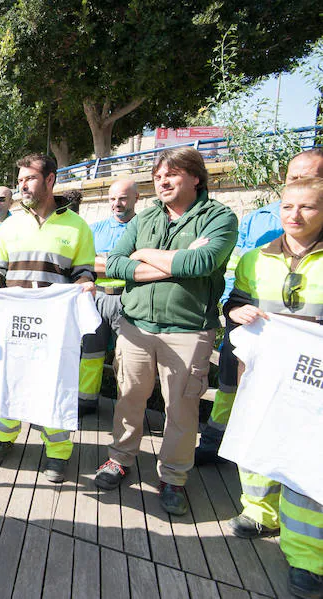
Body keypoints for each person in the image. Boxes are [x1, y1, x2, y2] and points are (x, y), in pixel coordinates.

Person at [95, 147, 238, 517]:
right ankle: (119, 458)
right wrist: (170, 262)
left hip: (188, 332)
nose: (162, 182)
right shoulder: (145, 219)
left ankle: (173, 478)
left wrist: (142, 254)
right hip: (136, 326)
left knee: (182, 411)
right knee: (128, 398)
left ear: (195, 177)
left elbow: (202, 261)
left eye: (171, 175)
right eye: (158, 177)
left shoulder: (219, 217)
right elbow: (114, 263)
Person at [222, 177, 323, 599]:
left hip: (313, 382)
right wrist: (238, 310)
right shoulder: (256, 256)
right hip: (264, 375)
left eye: (307, 207)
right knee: (259, 440)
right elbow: (231, 304)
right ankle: (258, 512)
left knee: (308, 463)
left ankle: (306, 559)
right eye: (287, 207)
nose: (294, 216)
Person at [196, 148, 323, 465]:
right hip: (249, 335)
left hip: (307, 356)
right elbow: (235, 275)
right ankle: (216, 442)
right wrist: (232, 310)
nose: (299, 184)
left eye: (310, 178)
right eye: (294, 177)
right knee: (231, 390)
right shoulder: (258, 219)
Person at [0, 154, 97, 484]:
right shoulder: (11, 225)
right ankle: (3, 437)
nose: (22, 185)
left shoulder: (76, 226)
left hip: (53, 325)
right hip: (14, 321)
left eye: (29, 178)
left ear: (50, 179)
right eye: (19, 180)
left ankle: (57, 452)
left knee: (55, 382)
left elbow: (84, 270)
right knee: (8, 376)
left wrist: (84, 285)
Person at [80, 179, 139, 414]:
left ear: (136, 198)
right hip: (96, 297)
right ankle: (86, 400)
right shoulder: (95, 229)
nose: (117, 203)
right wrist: (124, 263)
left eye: (123, 198)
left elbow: (144, 264)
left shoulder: (146, 228)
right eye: (113, 198)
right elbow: (85, 263)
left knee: (127, 358)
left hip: (130, 298)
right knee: (90, 353)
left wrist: (103, 262)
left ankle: (127, 408)